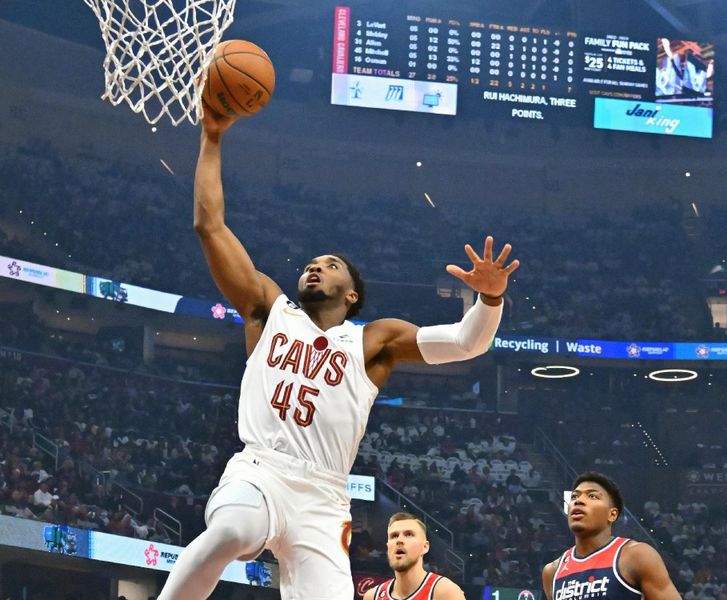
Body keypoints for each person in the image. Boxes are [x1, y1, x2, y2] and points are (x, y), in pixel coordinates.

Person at [157, 103, 519, 600]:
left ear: (351, 294)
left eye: (329, 265)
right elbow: (210, 226)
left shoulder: (374, 341)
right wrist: (213, 138)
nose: (314, 268)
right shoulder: (267, 309)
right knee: (231, 532)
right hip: (262, 469)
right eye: (310, 263)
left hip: (325, 497)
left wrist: (491, 297)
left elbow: (465, 342)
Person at [542, 472, 681, 600]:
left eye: (592, 496)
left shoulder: (636, 556)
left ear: (612, 514)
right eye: (574, 496)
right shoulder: (552, 571)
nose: (579, 501)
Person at [363, 512, 465, 600]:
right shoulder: (372, 596)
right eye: (394, 536)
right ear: (388, 547)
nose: (399, 540)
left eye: (409, 534)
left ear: (425, 547)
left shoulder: (444, 592)